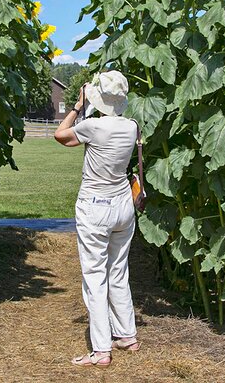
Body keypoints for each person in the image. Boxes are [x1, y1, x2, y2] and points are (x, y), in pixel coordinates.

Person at [54, 70, 142, 367]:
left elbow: (61, 135)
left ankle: (101, 349)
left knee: (95, 277)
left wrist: (78, 105)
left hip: (96, 206)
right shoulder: (132, 126)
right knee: (118, 270)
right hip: (123, 206)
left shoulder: (92, 127)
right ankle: (127, 334)